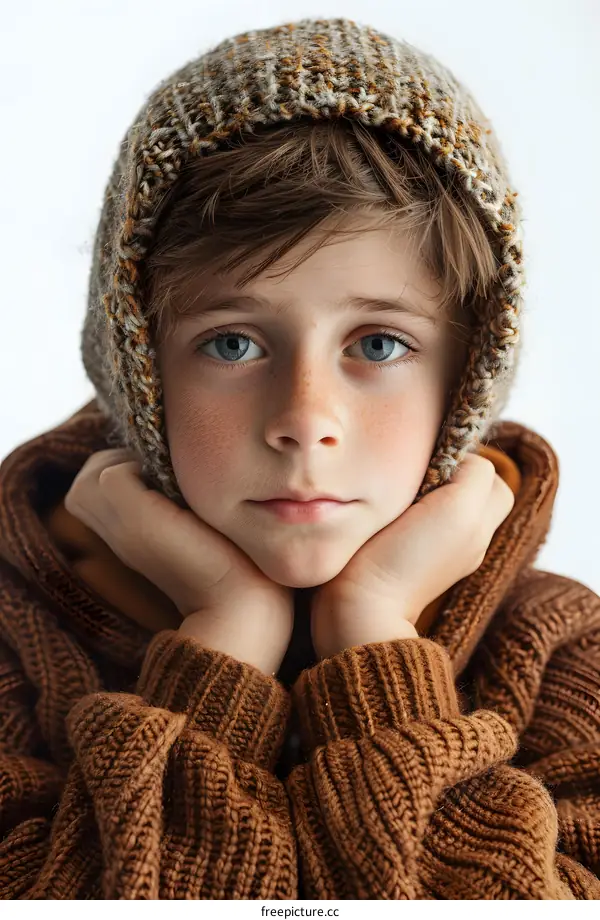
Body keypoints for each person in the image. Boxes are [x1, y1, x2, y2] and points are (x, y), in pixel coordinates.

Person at [0, 16, 598, 900]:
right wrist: (222, 645)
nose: (305, 420)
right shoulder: (13, 657)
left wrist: (380, 635)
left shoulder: (566, 661)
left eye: (382, 344)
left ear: (467, 378)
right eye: (234, 344)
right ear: (140, 371)